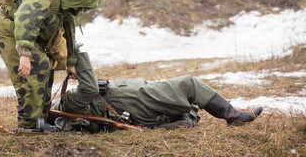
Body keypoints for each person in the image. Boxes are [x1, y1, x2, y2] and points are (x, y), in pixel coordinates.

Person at [0, 0, 99, 129]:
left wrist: (70, 62)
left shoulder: (66, 2)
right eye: (78, 7)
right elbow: (26, 18)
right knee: (34, 69)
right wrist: (24, 55)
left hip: (23, 32)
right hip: (7, 28)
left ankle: (42, 120)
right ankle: (28, 125)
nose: (78, 11)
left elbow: (68, 30)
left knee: (46, 68)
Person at [50, 51, 263, 131]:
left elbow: (90, 88)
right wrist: (77, 58)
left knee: (185, 108)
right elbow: (90, 89)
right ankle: (234, 117)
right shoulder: (67, 104)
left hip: (137, 96)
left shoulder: (70, 101)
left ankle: (175, 121)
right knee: (188, 84)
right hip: (136, 100)